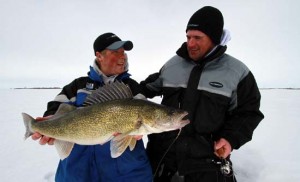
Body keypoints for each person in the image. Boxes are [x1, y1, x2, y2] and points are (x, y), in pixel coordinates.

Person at [140, 6, 264, 182]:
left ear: (213, 39)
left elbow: (249, 112)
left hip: (207, 165)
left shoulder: (237, 72)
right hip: (162, 162)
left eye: (198, 38)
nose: (190, 43)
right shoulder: (172, 66)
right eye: (188, 37)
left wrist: (229, 139)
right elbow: (145, 89)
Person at [31, 32, 153, 182]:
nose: (123, 56)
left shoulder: (132, 88)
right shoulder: (77, 86)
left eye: (124, 52)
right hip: (78, 174)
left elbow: (147, 115)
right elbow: (56, 109)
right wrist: (50, 123)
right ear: (99, 55)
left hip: (126, 174)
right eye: (116, 51)